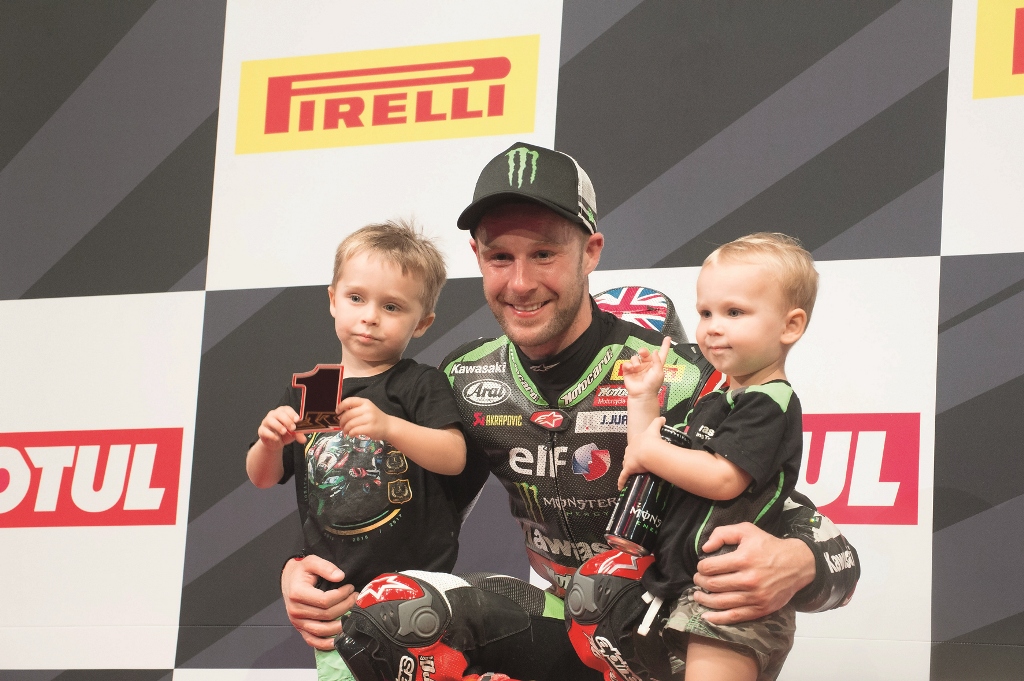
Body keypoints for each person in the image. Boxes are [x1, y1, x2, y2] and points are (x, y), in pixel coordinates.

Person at [281, 143, 860, 680]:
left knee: (713, 596)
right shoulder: (463, 376)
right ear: (476, 257)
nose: (521, 282)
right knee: (393, 619)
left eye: (544, 254)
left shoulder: (675, 372)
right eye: (500, 256)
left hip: (651, 623)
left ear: (591, 252)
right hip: (557, 619)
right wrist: (308, 568)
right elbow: (399, 509)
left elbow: (818, 540)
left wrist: (801, 562)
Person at [246, 221, 469, 681]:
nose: (369, 316)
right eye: (356, 298)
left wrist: (390, 427)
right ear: (332, 299)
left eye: (391, 306)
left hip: (417, 591)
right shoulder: (315, 391)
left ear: (422, 322)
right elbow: (263, 477)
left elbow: (454, 456)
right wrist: (269, 443)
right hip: (336, 594)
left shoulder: (418, 383)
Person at [615, 233, 817, 680]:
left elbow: (723, 479)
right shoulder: (716, 400)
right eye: (704, 312)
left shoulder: (770, 402)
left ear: (791, 326)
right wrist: (644, 399)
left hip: (732, 593)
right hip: (682, 583)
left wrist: (650, 449)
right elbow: (647, 459)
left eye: (734, 312)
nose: (711, 327)